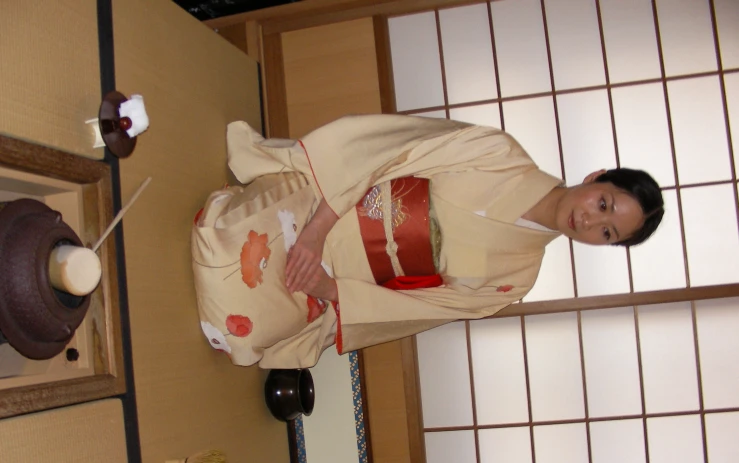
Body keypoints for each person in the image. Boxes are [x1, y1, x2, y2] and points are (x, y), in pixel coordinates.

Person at [192, 114, 664, 369]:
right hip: (324, 206)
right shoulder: (499, 154)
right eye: (604, 203)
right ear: (596, 177)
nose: (588, 221)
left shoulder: (516, 279)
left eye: (607, 232)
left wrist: (327, 290)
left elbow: (420, 310)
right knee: (225, 243)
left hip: (334, 279)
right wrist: (315, 232)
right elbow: (390, 148)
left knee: (242, 328)